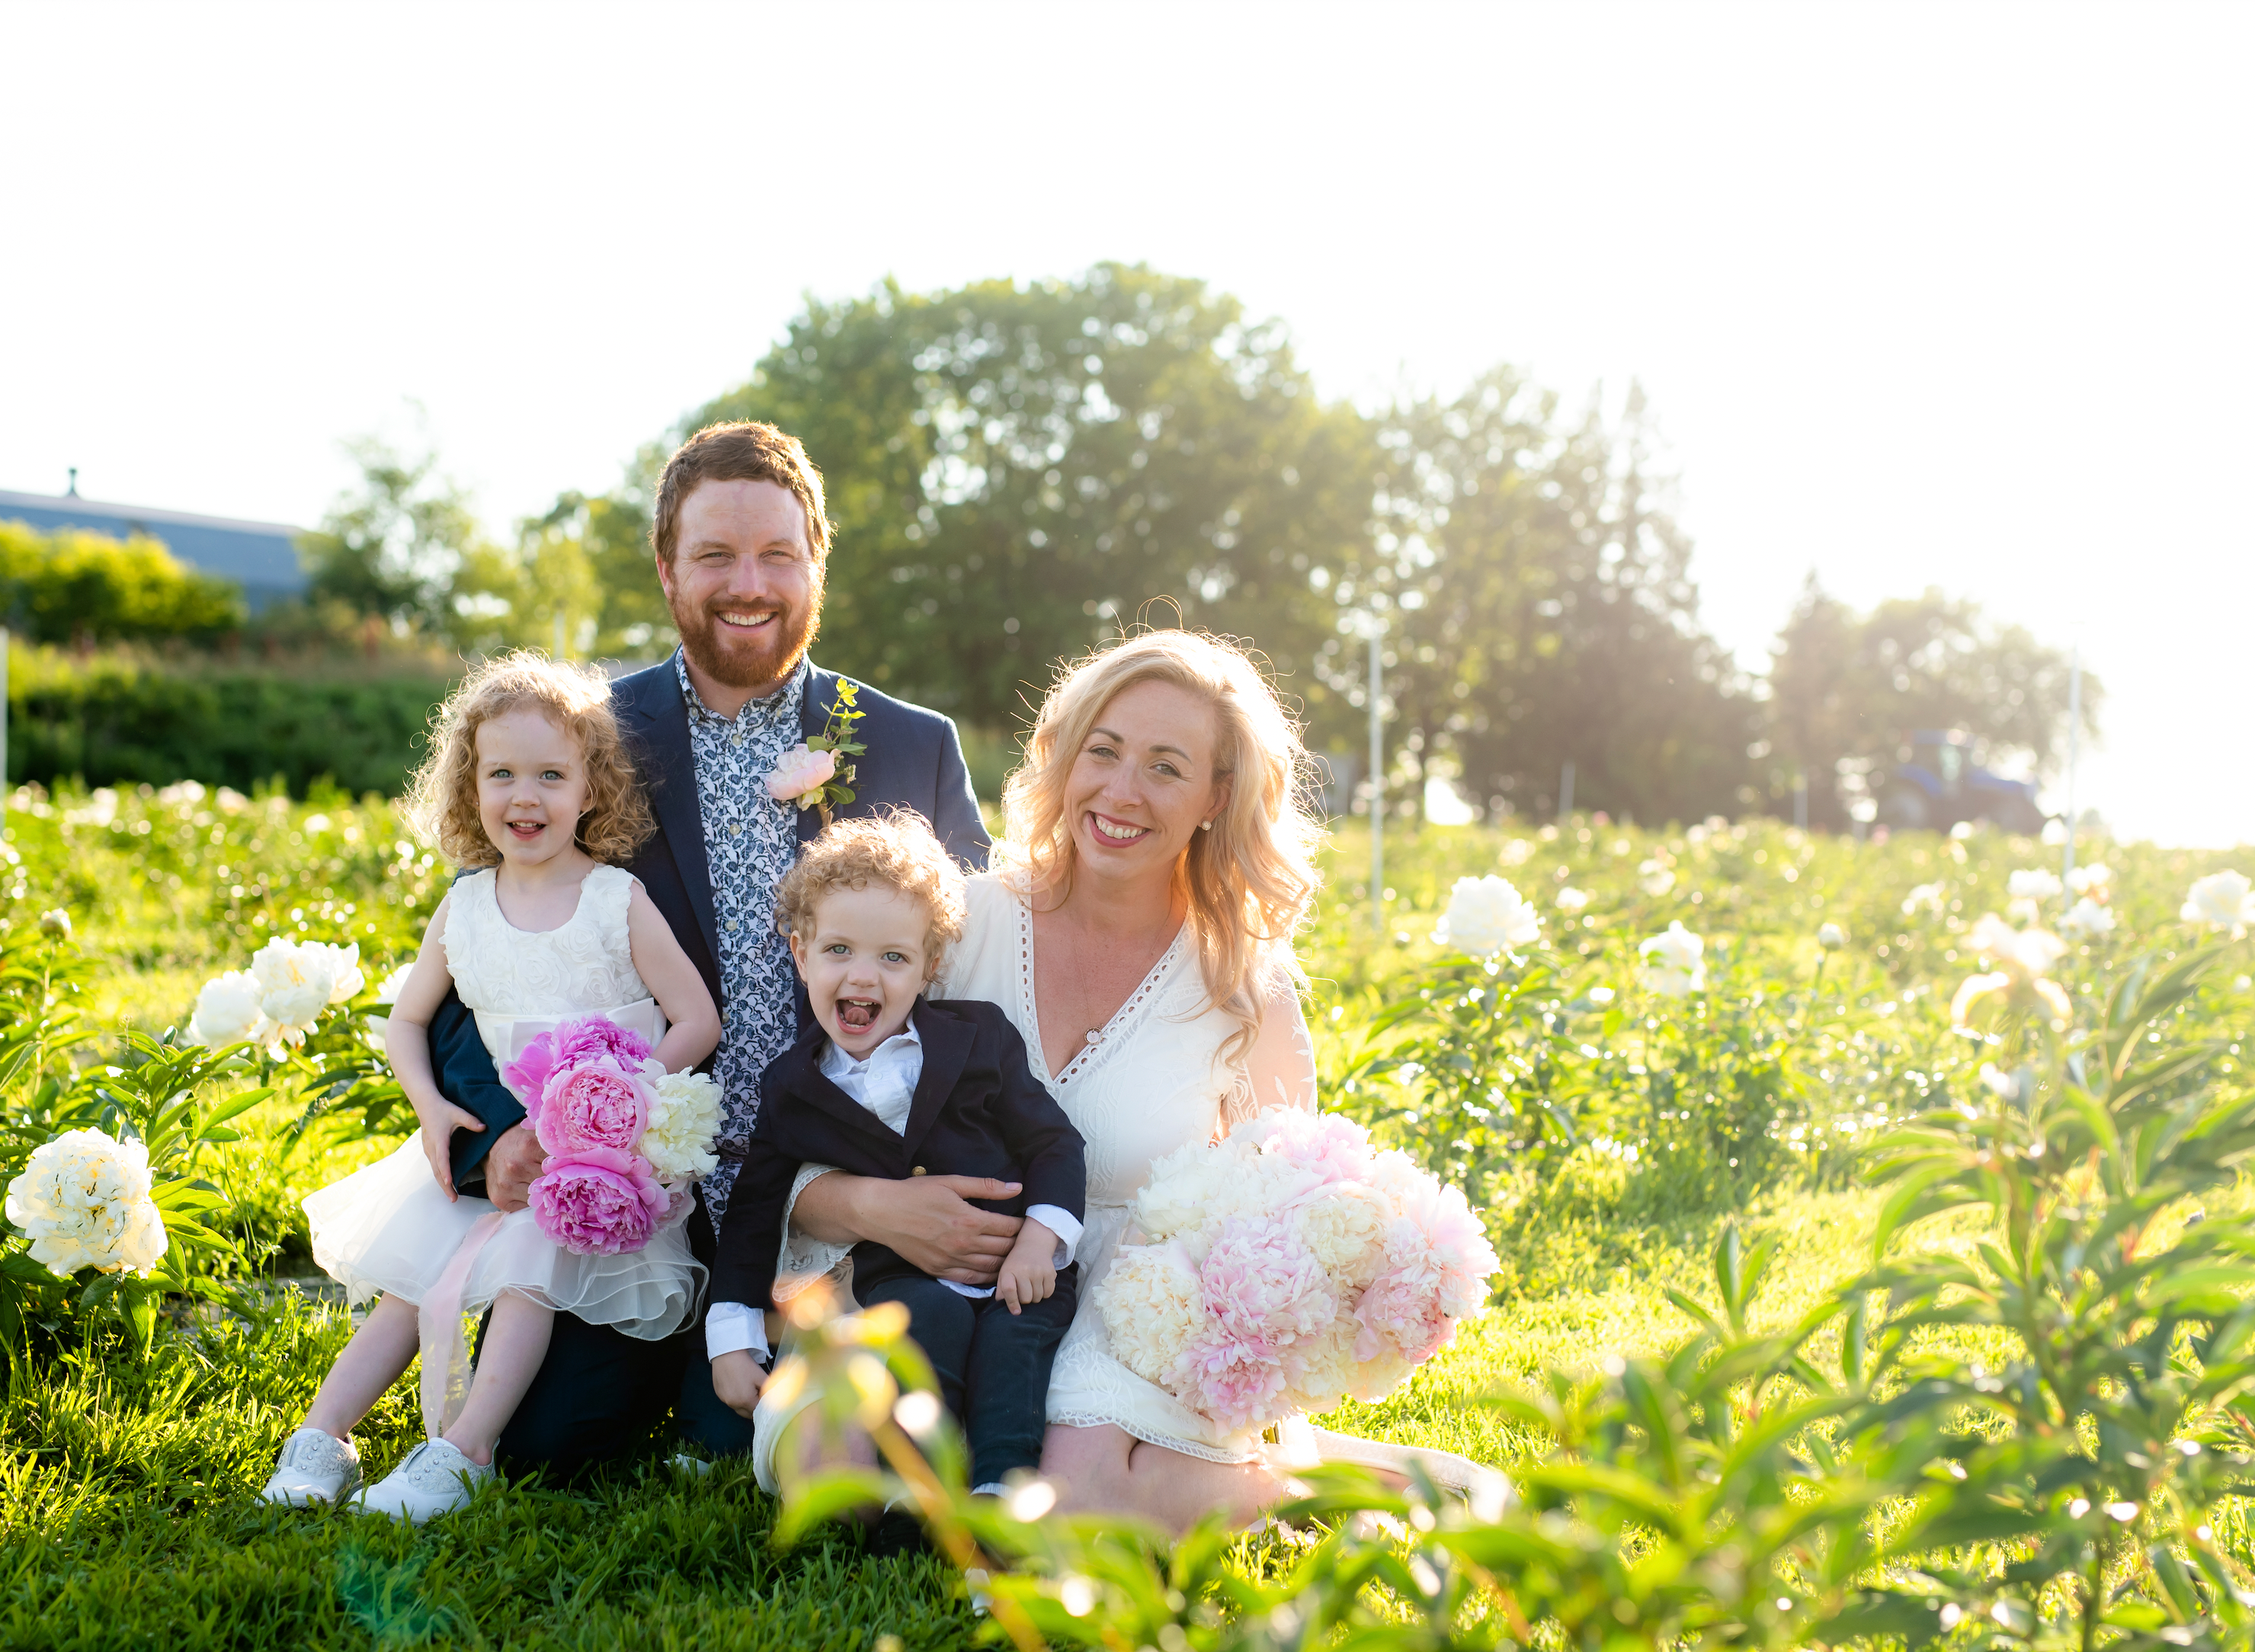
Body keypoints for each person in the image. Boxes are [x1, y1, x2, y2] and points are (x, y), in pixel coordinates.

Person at [764, 630, 1495, 1530]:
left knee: (1080, 1508)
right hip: (939, 1275)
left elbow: (1280, 1212)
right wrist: (875, 1211)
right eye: (1101, 752)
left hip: (1133, 1305)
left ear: (1214, 798)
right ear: (1064, 761)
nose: (1120, 791)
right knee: (830, 1476)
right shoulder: (958, 926)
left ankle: (1321, 1485)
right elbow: (813, 1134)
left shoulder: (1242, 986)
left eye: (1164, 766)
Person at [420, 421, 992, 1472]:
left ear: (817, 559)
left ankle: (772, 1363)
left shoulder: (912, 743)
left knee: (847, 1438)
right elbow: (487, 948)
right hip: (634, 1189)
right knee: (549, 1449)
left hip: (849, 1188)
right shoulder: (584, 735)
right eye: (715, 556)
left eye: (777, 554)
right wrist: (497, 1132)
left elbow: (977, 983)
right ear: (667, 567)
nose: (748, 583)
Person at [264, 652, 722, 1521]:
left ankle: (462, 1448)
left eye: (551, 774)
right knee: (411, 1283)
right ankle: (323, 1437)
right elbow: (405, 1021)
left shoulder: (614, 899)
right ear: (468, 786)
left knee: (523, 1278)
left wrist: (619, 1099)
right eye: (501, 773)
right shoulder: (465, 907)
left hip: (592, 1158)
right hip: (491, 1144)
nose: (525, 797)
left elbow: (696, 1018)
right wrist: (431, 1108)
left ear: (592, 788)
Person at [707, 814, 1087, 1500]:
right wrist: (732, 1336)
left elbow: (1053, 1142)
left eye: (892, 958)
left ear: (929, 966)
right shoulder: (791, 1087)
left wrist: (1042, 1240)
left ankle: (1001, 1492)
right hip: (903, 1288)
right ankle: (917, 1503)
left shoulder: (977, 1039)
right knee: (922, 1331)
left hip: (1020, 1275)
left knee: (1012, 1357)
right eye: (840, 951)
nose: (863, 977)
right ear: (801, 954)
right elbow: (756, 1209)